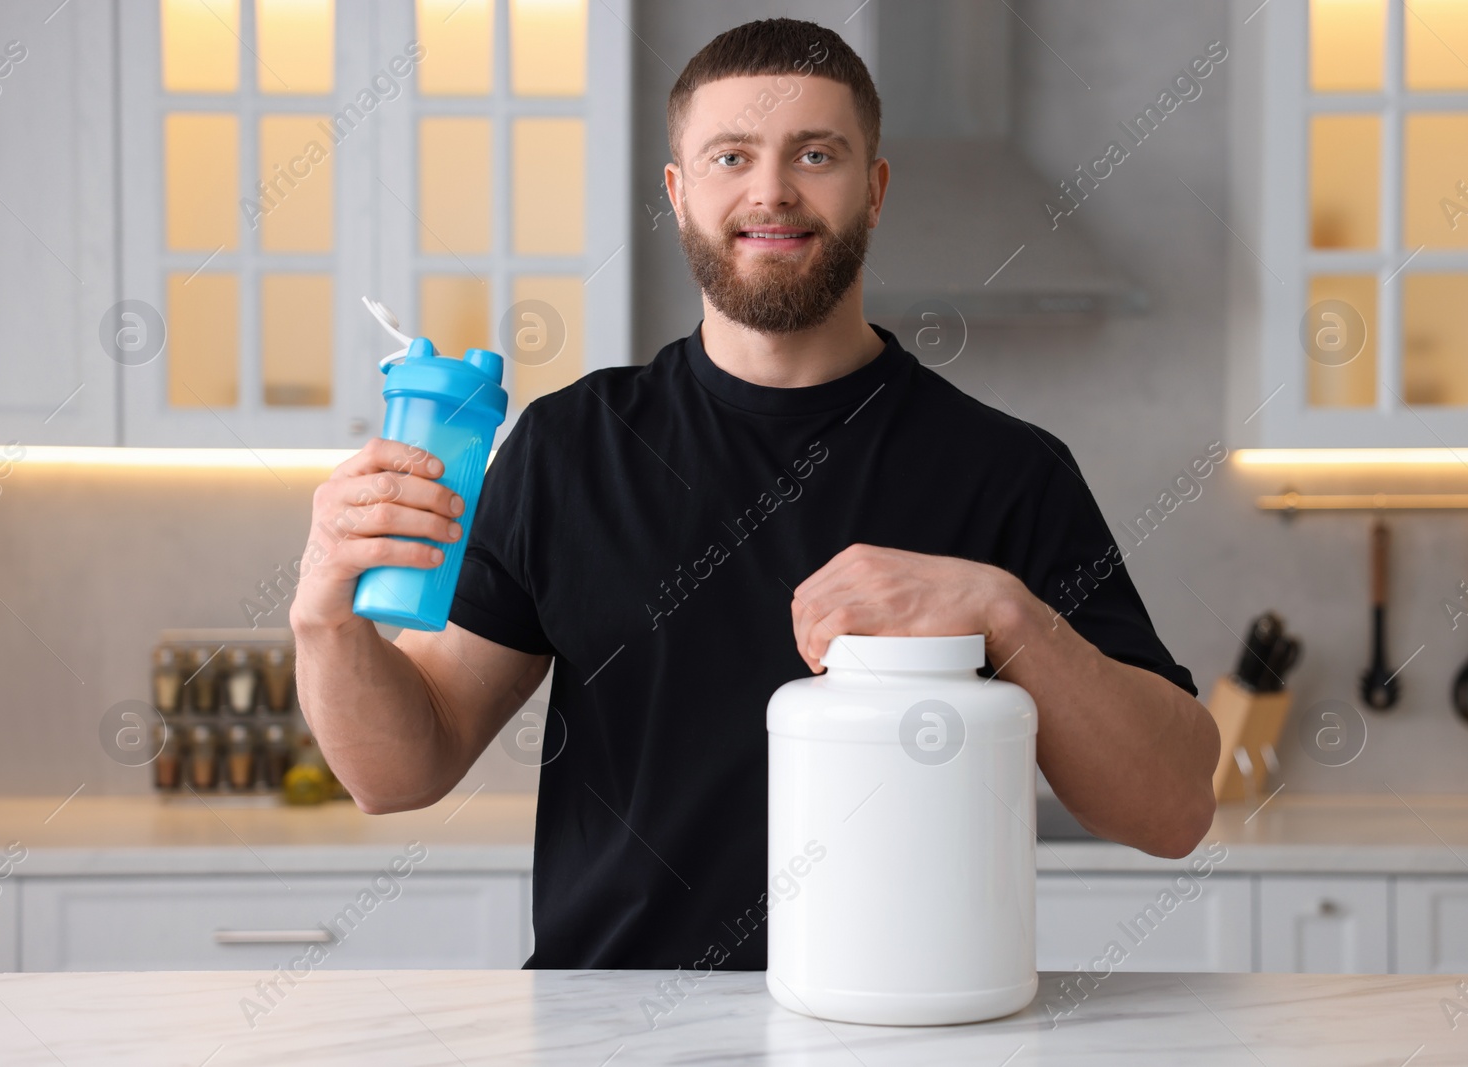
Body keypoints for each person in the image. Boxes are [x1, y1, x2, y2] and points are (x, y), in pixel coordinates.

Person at [290, 17, 1220, 972]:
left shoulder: (1008, 471)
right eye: (731, 155)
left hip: (904, 1029)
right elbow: (401, 770)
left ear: (876, 188)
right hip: (614, 1034)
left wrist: (1001, 608)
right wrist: (326, 613)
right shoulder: (568, 448)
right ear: (678, 191)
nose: (771, 189)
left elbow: (1175, 808)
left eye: (815, 153)